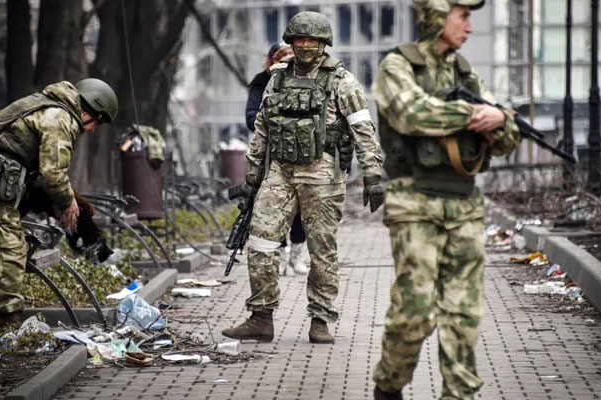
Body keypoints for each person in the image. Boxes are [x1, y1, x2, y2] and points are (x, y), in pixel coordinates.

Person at [371, 0, 520, 399]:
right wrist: (477, 115)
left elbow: (507, 139)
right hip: (414, 202)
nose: (470, 27)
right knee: (414, 314)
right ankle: (388, 386)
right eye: (464, 16)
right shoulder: (397, 66)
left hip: (465, 207)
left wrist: (501, 119)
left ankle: (459, 394)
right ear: (437, 15)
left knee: (463, 315)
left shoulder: (465, 72)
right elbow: (411, 114)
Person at [223, 11, 385, 344]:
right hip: (280, 173)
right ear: (290, 42)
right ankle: (261, 317)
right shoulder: (277, 79)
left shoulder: (342, 81)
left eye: (313, 40)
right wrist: (252, 179)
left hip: (323, 175)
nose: (306, 45)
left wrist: (373, 174)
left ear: (324, 43)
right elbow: (262, 132)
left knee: (322, 251)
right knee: (261, 243)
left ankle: (321, 320)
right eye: (299, 39)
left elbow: (363, 129)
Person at [0, 78, 118, 325]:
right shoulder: (60, 118)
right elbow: (53, 175)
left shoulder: (44, 105)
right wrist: (68, 202)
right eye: (97, 122)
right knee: (9, 258)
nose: (92, 130)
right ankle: (4, 328)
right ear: (88, 109)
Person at [245, 41, 308, 276]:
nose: (287, 62)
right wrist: (275, 126)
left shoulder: (306, 81)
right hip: (272, 156)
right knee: (274, 210)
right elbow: (251, 117)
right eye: (282, 57)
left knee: (301, 208)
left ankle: (297, 256)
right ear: (272, 60)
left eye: (291, 57)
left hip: (302, 157)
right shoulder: (262, 82)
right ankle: (280, 257)